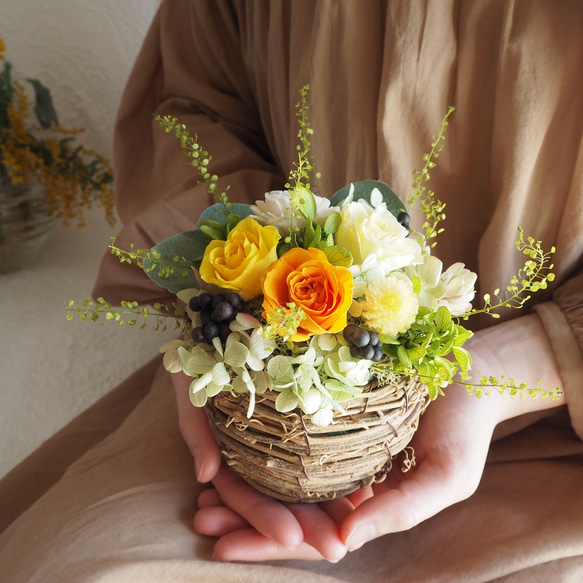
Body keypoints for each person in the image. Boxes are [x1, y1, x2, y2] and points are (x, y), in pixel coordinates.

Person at [1, 0, 583, 580]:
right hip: (257, 412)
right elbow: (192, 104)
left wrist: (524, 361)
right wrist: (219, 304)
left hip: (558, 424)